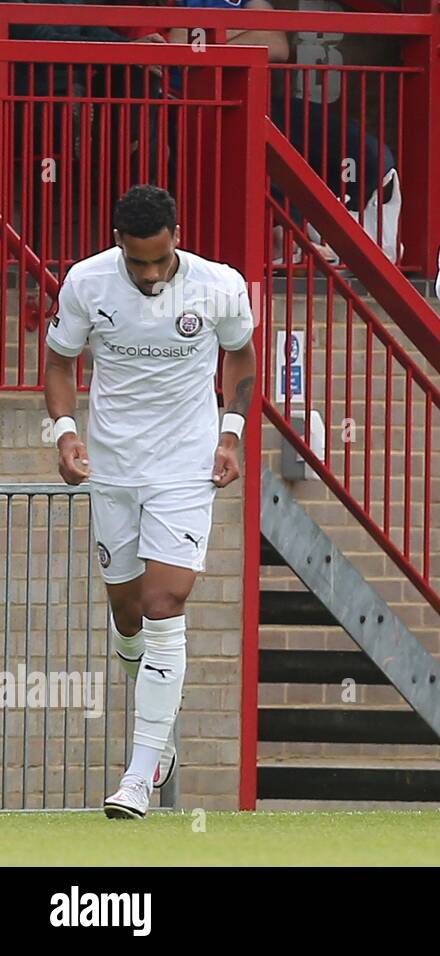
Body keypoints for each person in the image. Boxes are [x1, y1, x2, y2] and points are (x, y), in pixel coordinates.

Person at [43, 184, 256, 819]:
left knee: (167, 603)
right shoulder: (86, 283)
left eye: (160, 260)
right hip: (112, 466)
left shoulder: (220, 286)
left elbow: (242, 358)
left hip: (185, 466)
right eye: (138, 263)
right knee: (129, 614)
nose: (151, 274)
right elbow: (58, 362)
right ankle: (155, 731)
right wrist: (65, 434)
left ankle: (137, 775)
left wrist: (231, 433)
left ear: (177, 238)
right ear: (117, 245)